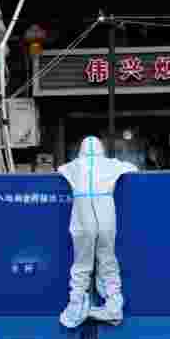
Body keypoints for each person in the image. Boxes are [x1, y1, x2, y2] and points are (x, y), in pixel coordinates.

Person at [56, 135, 138, 328]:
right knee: (108, 260)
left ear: (81, 150)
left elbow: (59, 169)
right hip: (106, 216)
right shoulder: (112, 164)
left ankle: (76, 306)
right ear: (102, 149)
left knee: (82, 263)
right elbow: (133, 168)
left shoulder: (72, 167)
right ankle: (113, 306)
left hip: (83, 217)